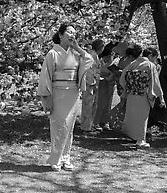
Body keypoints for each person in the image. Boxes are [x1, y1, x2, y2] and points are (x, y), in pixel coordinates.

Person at [38, 24, 93, 171]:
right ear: (61, 35)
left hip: (73, 93)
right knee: (59, 126)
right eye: (69, 32)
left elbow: (89, 60)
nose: (72, 34)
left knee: (70, 127)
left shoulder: (75, 54)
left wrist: (77, 48)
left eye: (74, 33)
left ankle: (66, 158)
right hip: (58, 93)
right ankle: (55, 159)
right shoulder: (52, 53)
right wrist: (47, 97)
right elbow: (45, 76)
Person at [120, 44, 166, 148]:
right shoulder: (150, 65)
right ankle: (140, 140)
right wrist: (161, 97)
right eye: (154, 57)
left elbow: (123, 78)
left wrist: (128, 88)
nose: (155, 60)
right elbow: (156, 83)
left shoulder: (133, 64)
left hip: (132, 93)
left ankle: (133, 136)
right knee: (142, 118)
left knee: (132, 116)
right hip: (143, 94)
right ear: (150, 55)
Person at [80, 39, 104, 133]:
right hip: (90, 83)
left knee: (93, 105)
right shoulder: (91, 55)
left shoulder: (95, 56)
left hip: (94, 82)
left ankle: (90, 124)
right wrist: (93, 81)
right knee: (88, 105)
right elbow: (89, 70)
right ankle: (85, 126)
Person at [94, 45, 118, 131]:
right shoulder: (99, 62)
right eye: (108, 56)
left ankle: (105, 121)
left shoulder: (113, 63)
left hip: (110, 85)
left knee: (108, 104)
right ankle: (96, 122)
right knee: (100, 103)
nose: (109, 57)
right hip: (102, 84)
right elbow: (98, 72)